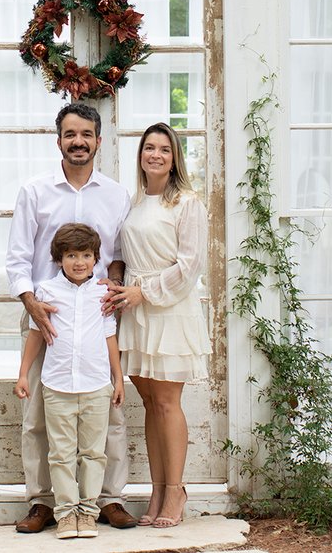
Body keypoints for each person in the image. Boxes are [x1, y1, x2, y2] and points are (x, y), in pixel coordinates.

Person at [6, 103, 137, 533]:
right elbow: (18, 258)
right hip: (48, 319)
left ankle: (107, 499)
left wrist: (113, 286)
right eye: (69, 134)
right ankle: (44, 502)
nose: (78, 141)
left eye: (86, 134)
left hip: (97, 320)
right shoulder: (35, 191)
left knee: (109, 414)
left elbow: (117, 258)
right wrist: (32, 305)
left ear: (99, 141)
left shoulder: (117, 194)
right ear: (58, 140)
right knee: (40, 418)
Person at [104, 122, 211, 529]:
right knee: (149, 404)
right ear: (141, 155)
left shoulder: (186, 202)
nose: (155, 155)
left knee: (167, 402)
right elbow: (120, 253)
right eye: (149, 148)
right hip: (133, 308)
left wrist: (143, 293)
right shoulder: (133, 202)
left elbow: (189, 266)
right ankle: (157, 486)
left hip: (167, 309)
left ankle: (176, 490)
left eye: (164, 149)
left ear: (174, 157)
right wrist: (118, 282)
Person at [14, 223, 126, 540]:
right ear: (59, 258)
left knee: (93, 454)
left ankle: (88, 513)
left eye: (86, 255)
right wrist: (23, 374)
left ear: (95, 259)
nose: (79, 262)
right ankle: (65, 515)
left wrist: (117, 380)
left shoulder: (102, 293)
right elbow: (37, 336)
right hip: (57, 386)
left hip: (95, 386)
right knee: (60, 455)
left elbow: (110, 337)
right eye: (72, 255)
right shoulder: (47, 292)